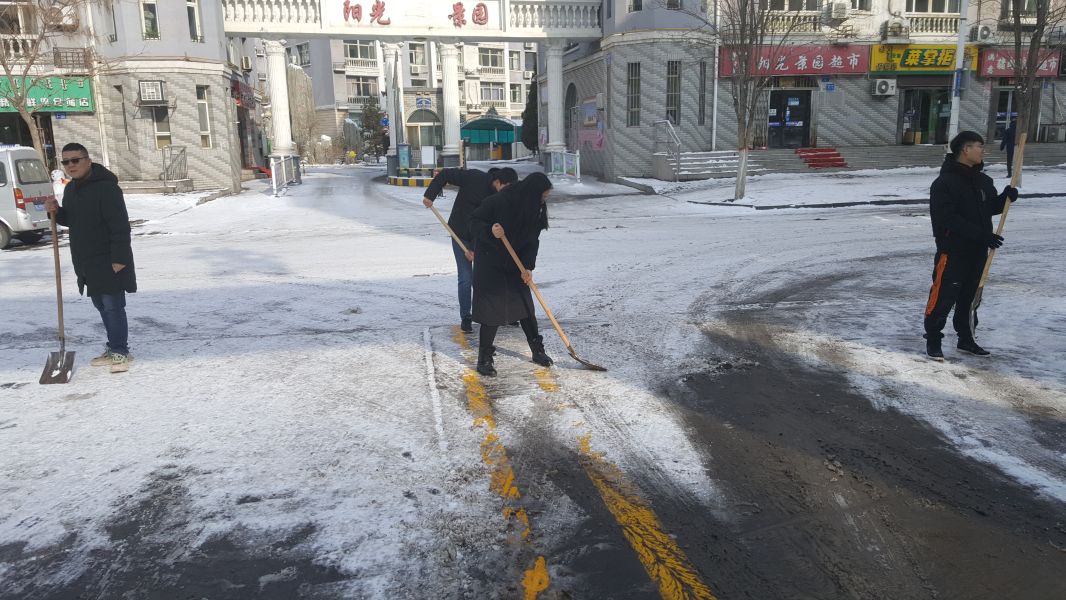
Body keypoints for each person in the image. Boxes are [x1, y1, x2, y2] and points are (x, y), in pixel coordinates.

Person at [924, 131, 1018, 360]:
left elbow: (988, 208)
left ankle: (966, 338)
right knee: (943, 296)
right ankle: (934, 339)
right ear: (965, 150)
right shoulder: (944, 183)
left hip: (978, 252)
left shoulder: (983, 181)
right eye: (979, 146)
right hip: (953, 251)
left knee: (970, 298)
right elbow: (949, 219)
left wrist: (1005, 199)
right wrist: (981, 235)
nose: (983, 151)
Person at [44, 143, 137, 373]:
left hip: (109, 258)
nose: (71, 165)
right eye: (66, 162)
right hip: (86, 260)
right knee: (102, 306)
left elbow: (120, 226)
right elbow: (73, 219)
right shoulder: (72, 189)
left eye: (75, 160)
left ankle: (120, 352)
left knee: (113, 306)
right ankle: (114, 347)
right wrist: (55, 211)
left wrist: (120, 259)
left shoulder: (107, 188)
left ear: (87, 160)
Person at [468, 172, 554, 376]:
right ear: (532, 193)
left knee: (525, 307)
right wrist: (490, 230)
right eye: (543, 196)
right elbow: (473, 222)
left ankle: (537, 350)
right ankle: (484, 358)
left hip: (516, 264)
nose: (545, 200)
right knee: (492, 312)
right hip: (491, 263)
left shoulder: (536, 208)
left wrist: (528, 267)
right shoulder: (498, 201)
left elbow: (533, 240)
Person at [423, 167, 518, 332]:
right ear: (498, 181)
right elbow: (445, 174)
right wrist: (430, 195)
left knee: (490, 277)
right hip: (459, 233)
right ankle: (466, 317)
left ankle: (501, 313)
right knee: (466, 278)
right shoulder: (473, 177)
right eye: (506, 188)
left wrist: (475, 249)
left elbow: (490, 224)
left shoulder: (499, 198)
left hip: (482, 239)